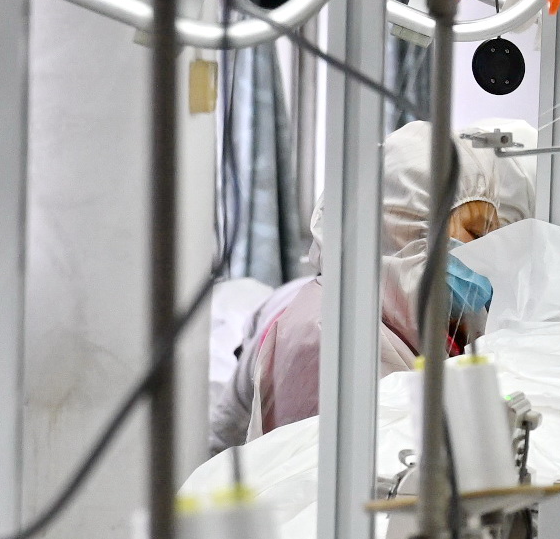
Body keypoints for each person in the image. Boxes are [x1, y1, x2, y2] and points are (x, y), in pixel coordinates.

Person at [218, 122, 538, 446]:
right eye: (477, 233)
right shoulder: (331, 336)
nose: (486, 252)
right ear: (405, 227)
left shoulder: (421, 317)